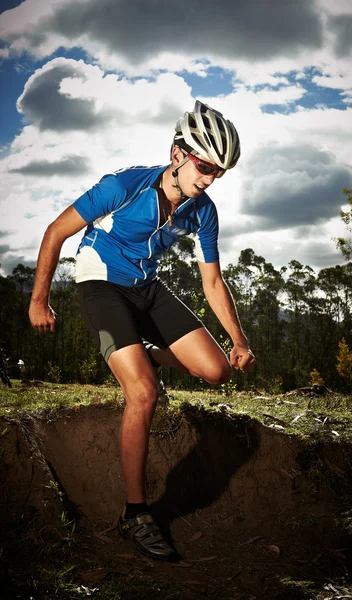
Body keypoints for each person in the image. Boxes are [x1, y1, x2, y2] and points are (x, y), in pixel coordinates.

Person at [29, 100, 256, 561]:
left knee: (216, 372)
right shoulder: (123, 185)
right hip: (100, 284)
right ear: (178, 154)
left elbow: (212, 280)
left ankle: (143, 351)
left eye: (219, 173)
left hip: (146, 287)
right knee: (144, 394)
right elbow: (56, 232)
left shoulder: (203, 211)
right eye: (205, 167)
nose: (209, 180)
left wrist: (239, 339)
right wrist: (39, 299)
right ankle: (137, 514)